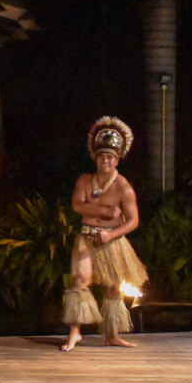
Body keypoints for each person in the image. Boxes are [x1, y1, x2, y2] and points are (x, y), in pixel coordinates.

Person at [62, 116, 148, 351]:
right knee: (79, 281)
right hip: (86, 237)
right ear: (96, 157)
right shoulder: (85, 180)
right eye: (102, 156)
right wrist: (107, 210)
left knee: (112, 288)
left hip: (112, 241)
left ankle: (111, 335)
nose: (106, 160)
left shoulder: (124, 187)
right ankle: (75, 333)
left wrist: (111, 234)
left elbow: (133, 221)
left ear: (117, 159)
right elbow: (77, 205)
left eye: (110, 156)